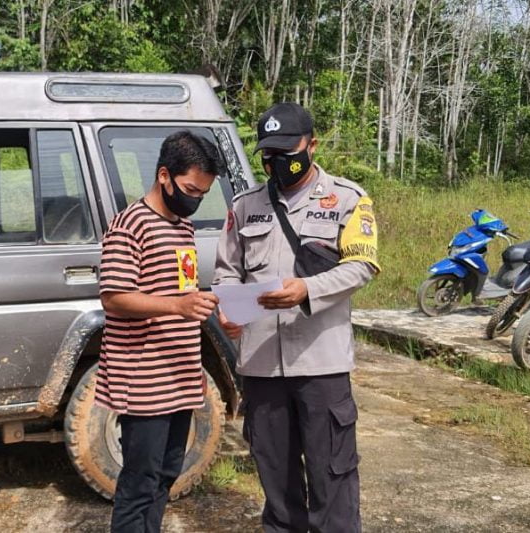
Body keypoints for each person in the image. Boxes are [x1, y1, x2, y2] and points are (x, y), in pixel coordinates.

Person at [214, 102, 380, 533]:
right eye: (269, 154)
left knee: (332, 481)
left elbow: (361, 265)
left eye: (288, 151)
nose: (278, 162)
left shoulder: (348, 198)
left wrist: (307, 289)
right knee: (276, 481)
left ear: (311, 145)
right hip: (262, 366)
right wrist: (230, 310)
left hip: (321, 364)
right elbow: (228, 269)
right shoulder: (245, 205)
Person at [97, 130, 226, 533]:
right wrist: (177, 305)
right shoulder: (129, 224)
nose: (195, 199)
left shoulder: (183, 227)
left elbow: (181, 291)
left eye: (203, 194)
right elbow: (114, 297)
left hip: (181, 378)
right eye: (190, 189)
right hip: (144, 382)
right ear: (164, 175)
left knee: (166, 476)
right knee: (139, 482)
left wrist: (204, 306)